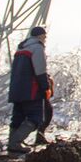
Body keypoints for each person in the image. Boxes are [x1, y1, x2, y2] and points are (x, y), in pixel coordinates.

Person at [8, 25, 52, 154]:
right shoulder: (37, 48)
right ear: (40, 36)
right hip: (31, 91)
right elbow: (40, 71)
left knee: (18, 117)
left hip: (16, 89)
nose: (45, 39)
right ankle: (15, 143)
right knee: (35, 118)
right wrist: (45, 87)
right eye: (45, 36)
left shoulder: (21, 48)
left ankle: (12, 144)